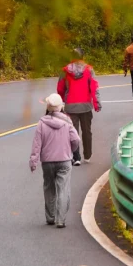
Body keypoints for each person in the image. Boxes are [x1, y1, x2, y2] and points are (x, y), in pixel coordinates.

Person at [29, 93, 81, 227]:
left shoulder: (41, 123)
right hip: (64, 160)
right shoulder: (67, 122)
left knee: (49, 187)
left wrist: (33, 162)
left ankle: (50, 217)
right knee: (63, 189)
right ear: (61, 107)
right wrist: (71, 150)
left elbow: (37, 144)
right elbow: (76, 140)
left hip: (47, 162)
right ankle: (60, 220)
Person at [56, 49, 101, 163]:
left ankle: (76, 157)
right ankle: (87, 155)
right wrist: (97, 104)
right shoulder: (89, 70)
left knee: (72, 132)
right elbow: (94, 88)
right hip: (85, 106)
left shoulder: (65, 71)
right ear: (82, 57)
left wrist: (61, 100)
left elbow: (60, 88)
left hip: (71, 106)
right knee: (87, 131)